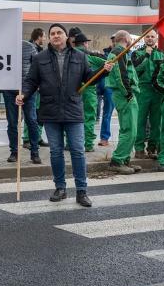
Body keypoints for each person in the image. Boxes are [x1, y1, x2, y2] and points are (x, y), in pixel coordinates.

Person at [18, 23, 110, 207]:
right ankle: (60, 188)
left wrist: (103, 72)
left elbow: (89, 79)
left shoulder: (80, 56)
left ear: (67, 36)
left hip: (73, 110)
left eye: (59, 32)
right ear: (49, 37)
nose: (55, 35)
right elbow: (31, 80)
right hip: (50, 111)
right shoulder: (40, 58)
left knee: (77, 151)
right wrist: (24, 94)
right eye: (52, 33)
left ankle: (81, 191)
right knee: (56, 152)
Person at [106, 30, 141, 174]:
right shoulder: (118, 51)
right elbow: (121, 75)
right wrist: (128, 94)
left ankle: (124, 159)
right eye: (131, 38)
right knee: (130, 130)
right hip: (125, 95)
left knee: (128, 129)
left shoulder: (120, 52)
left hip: (123, 94)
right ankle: (117, 161)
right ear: (126, 38)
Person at [1, 39, 41, 164]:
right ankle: (14, 152)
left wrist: (35, 85)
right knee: (12, 123)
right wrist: (1, 87)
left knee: (32, 121)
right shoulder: (3, 46)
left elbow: (37, 67)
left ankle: (35, 152)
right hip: (10, 90)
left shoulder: (29, 47)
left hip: (28, 91)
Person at [69, 28, 107, 152]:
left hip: (72, 90)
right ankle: (88, 144)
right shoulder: (90, 56)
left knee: (70, 117)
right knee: (89, 117)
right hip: (89, 90)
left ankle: (69, 144)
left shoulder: (67, 55)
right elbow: (109, 64)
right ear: (85, 43)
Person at [131, 29, 164, 159]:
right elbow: (135, 69)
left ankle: (152, 148)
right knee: (139, 121)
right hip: (142, 91)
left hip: (158, 93)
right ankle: (139, 149)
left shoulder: (162, 54)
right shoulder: (136, 53)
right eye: (147, 37)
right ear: (143, 39)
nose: (150, 39)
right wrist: (146, 55)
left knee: (156, 122)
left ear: (156, 39)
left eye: (152, 36)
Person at [22, 28, 47, 149]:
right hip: (32, 87)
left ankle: (37, 137)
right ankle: (27, 139)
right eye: (44, 36)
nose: (45, 39)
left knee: (37, 113)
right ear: (39, 36)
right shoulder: (29, 48)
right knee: (31, 114)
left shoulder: (38, 49)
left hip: (38, 86)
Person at [97, 35, 116, 146]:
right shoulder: (105, 55)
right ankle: (104, 138)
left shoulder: (126, 54)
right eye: (113, 41)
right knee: (107, 112)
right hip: (109, 87)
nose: (115, 43)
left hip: (122, 87)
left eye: (116, 41)